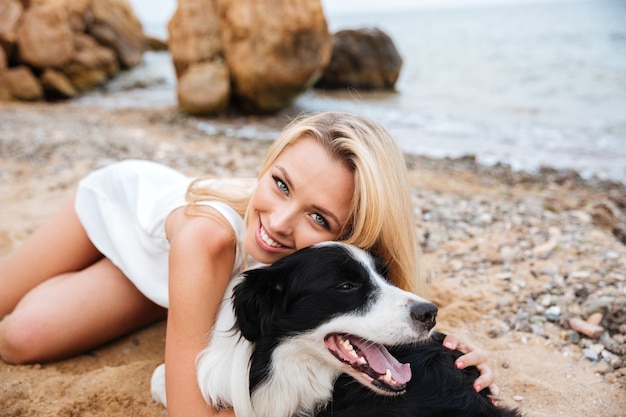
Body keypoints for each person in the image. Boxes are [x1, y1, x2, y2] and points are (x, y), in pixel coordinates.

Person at [0, 112, 496, 416]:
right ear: (267, 165)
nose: (279, 223)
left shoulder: (331, 261)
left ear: (346, 236)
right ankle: (183, 300)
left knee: (25, 337)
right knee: (14, 334)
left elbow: (381, 306)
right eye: (280, 183)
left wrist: (453, 354)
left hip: (184, 273)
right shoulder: (209, 239)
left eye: (318, 217)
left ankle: (181, 302)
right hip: (120, 213)